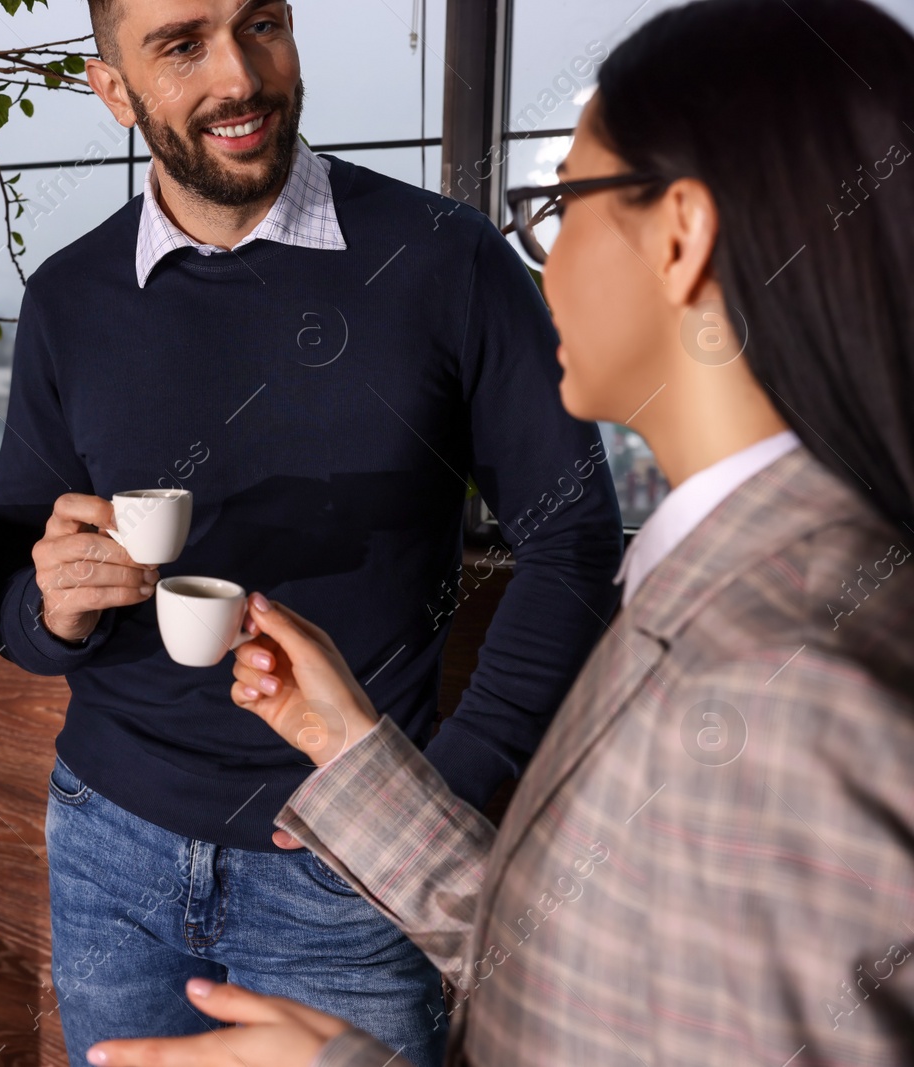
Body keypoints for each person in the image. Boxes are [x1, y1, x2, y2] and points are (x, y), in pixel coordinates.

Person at [86, 1, 914, 1064]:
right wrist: (354, 749)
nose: (538, 260)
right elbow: (617, 974)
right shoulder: (730, 594)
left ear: (680, 236)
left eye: (562, 203)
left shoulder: (797, 688)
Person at [0, 1, 623, 1062]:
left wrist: (426, 795)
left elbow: (576, 540)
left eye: (261, 23)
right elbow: (5, 574)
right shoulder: (68, 297)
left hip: (354, 872)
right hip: (105, 843)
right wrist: (52, 610)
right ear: (112, 88)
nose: (240, 74)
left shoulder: (443, 258)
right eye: (181, 44)